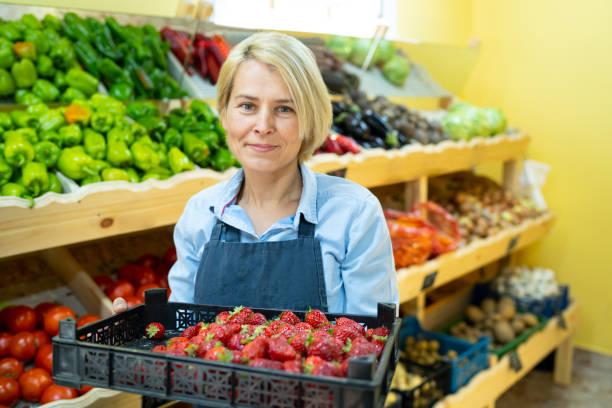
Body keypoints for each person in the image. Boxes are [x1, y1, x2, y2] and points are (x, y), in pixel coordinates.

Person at [114, 31, 399, 316]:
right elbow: (183, 332)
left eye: (284, 108)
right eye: (247, 106)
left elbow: (373, 343)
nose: (263, 126)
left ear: (310, 118)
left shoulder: (354, 215)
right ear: (225, 114)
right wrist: (146, 331)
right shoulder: (201, 213)